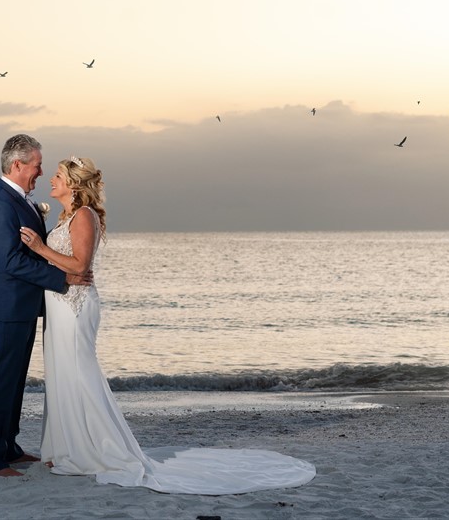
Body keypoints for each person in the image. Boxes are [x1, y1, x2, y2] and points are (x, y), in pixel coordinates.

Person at [20, 156, 315, 494]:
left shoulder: (84, 216)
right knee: (62, 374)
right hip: (59, 303)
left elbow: (80, 264)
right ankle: (65, 448)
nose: (50, 180)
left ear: (73, 184)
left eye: (57, 175)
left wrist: (41, 247)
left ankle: (93, 449)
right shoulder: (67, 217)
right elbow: (69, 267)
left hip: (75, 306)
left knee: (79, 374)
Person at [0, 134, 91, 477]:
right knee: (1, 381)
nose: (40, 172)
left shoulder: (20, 201)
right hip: (5, 308)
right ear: (17, 164)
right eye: (37, 165)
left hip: (22, 307)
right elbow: (11, 261)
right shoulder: (0, 204)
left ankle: (8, 446)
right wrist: (62, 280)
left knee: (15, 381)